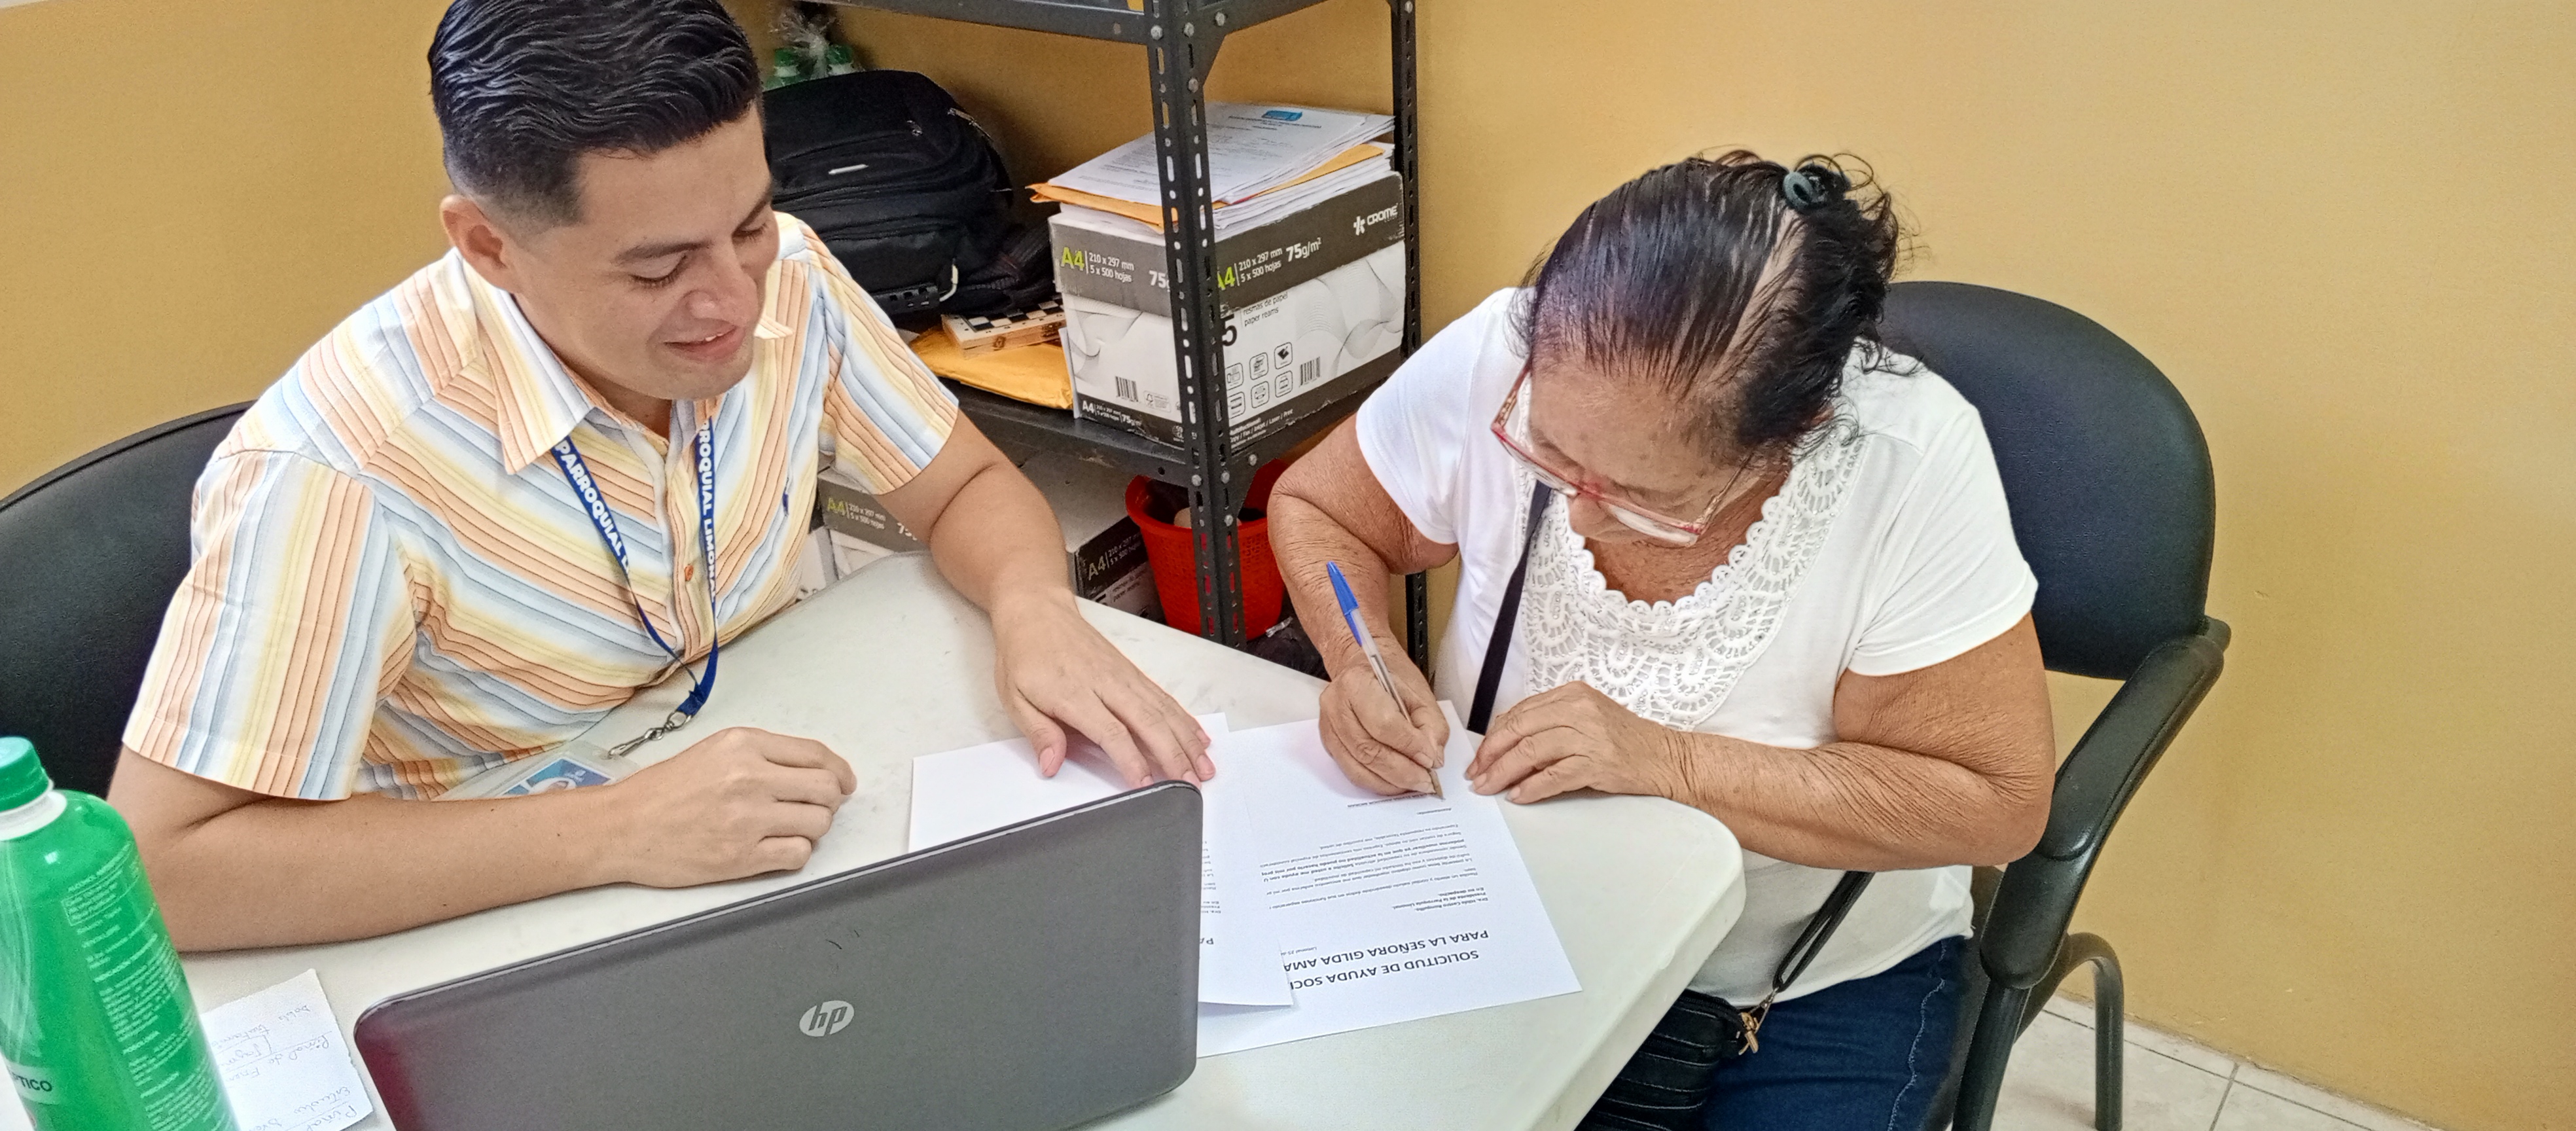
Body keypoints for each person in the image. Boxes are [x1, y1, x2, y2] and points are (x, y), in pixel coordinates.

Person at [107, 0, 1209, 952]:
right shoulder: (338, 470)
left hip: (762, 816)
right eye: (658, 269)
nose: (732, 299)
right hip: (484, 908)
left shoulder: (790, 277)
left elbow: (964, 487)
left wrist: (1034, 611)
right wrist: (616, 829)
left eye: (750, 222)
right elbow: (163, 870)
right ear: (489, 247)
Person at [1268, 152, 2054, 1128]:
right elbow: (1324, 510)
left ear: (1796, 430)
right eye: (1550, 454)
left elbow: (1994, 803)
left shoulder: (1907, 467)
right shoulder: (1500, 354)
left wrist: (1667, 762)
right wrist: (1365, 658)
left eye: (1643, 495)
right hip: (1507, 906)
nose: (1579, 516)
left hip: (1797, 976)